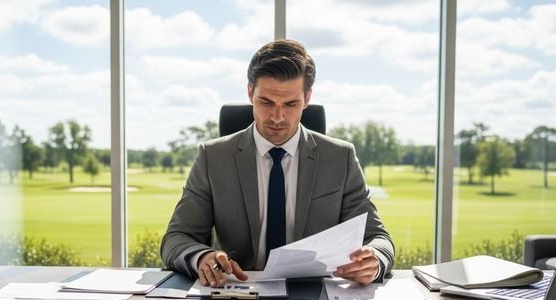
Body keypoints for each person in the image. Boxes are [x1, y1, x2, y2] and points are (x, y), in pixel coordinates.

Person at [160, 39, 394, 288]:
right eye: (266, 102)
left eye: (291, 104)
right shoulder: (213, 157)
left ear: (307, 98)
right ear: (250, 92)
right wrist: (201, 257)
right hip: (239, 289)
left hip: (313, 291)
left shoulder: (340, 158)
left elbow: (378, 238)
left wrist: (375, 260)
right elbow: (176, 238)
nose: (277, 117)